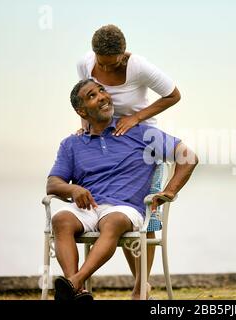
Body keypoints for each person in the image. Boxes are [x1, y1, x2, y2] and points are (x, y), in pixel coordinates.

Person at [47, 79, 197, 300]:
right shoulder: (71, 144)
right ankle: (77, 293)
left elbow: (189, 157)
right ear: (81, 111)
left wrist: (170, 191)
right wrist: (74, 190)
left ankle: (73, 283)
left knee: (113, 221)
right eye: (92, 96)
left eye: (102, 90)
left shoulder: (141, 133)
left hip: (126, 209)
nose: (102, 96)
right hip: (89, 208)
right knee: (61, 220)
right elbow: (52, 184)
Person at [76, 24, 181, 294]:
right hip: (106, 140)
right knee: (117, 210)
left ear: (123, 55)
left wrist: (135, 117)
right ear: (94, 54)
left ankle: (140, 286)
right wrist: (85, 125)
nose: (107, 70)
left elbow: (173, 94)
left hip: (140, 141)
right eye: (102, 63)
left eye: (113, 64)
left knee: (142, 216)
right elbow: (83, 96)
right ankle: (138, 284)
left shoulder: (139, 67)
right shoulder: (85, 63)